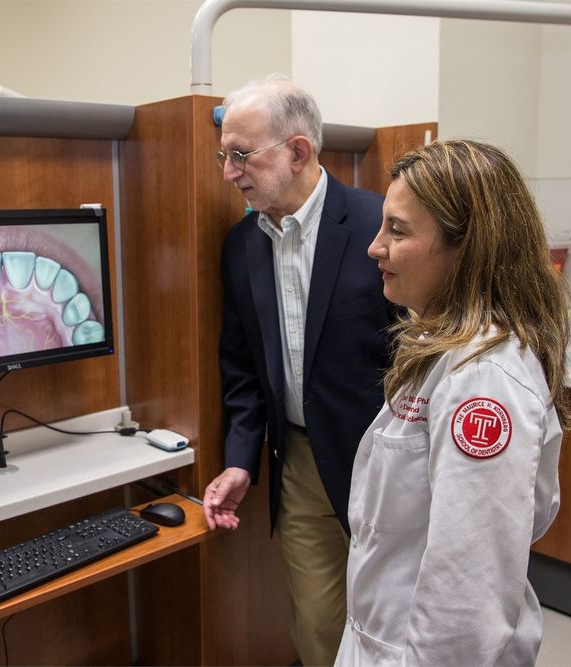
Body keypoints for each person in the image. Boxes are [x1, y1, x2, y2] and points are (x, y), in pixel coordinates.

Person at [334, 139, 571, 665]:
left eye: (397, 231)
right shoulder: (443, 348)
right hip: (381, 638)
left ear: (466, 248)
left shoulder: (484, 380)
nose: (375, 247)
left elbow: (467, 597)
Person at [202, 74, 397, 666]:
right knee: (316, 622)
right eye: (223, 156)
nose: (229, 172)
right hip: (301, 464)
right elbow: (243, 367)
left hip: (386, 462)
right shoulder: (242, 245)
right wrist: (240, 459)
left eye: (242, 155)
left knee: (395, 620)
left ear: (298, 151)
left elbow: (425, 352)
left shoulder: (380, 227)